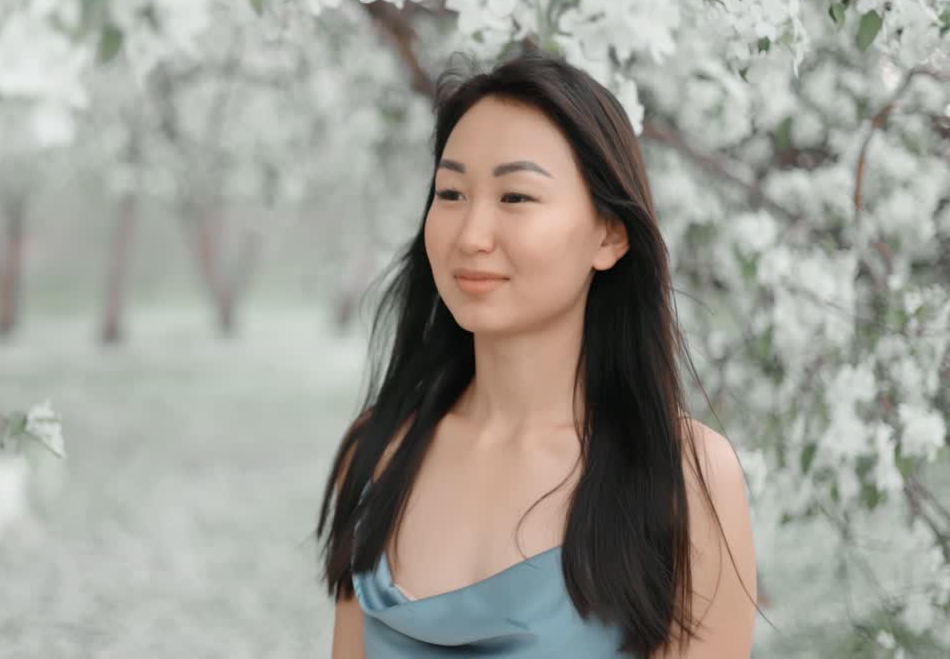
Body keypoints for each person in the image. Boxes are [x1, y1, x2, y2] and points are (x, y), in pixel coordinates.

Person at [315, 47, 758, 658]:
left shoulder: (686, 475)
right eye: (450, 194)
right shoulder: (377, 450)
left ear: (610, 233)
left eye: (515, 197)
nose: (471, 236)